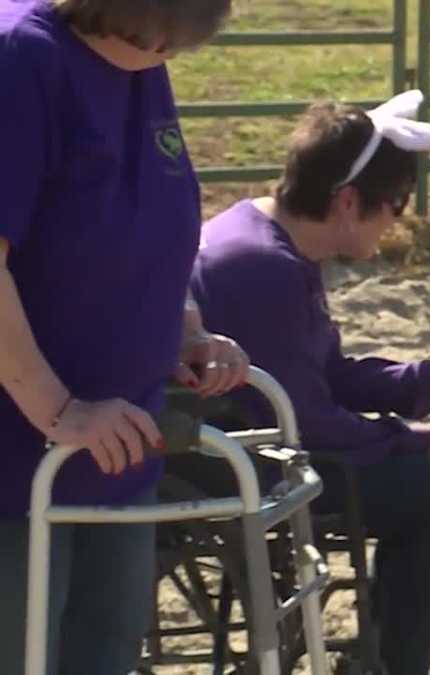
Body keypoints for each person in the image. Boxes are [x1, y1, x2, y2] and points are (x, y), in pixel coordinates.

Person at [189, 92, 430, 674]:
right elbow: (308, 422)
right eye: (396, 206)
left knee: (423, 479)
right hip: (241, 463)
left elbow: (322, 375)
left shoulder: (261, 236)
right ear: (349, 201)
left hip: (236, 442)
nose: (397, 221)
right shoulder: (266, 269)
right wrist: (422, 443)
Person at [0, 1, 248, 673]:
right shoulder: (22, 60)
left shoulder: (141, 58)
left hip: (118, 450)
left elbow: (149, 223)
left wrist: (186, 330)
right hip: (19, 466)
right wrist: (61, 410)